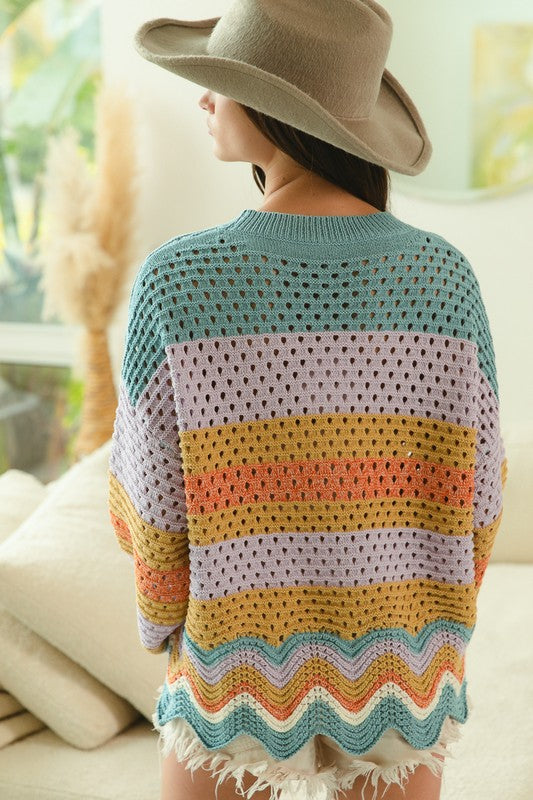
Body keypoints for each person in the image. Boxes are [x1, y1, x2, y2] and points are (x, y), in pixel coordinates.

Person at [107, 3, 506, 800]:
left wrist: (164, 627)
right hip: (403, 669)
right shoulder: (443, 278)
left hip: (232, 672)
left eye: (221, 82)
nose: (203, 98)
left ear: (274, 108)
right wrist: (440, 629)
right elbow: (481, 498)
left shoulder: (179, 280)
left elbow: (152, 506)